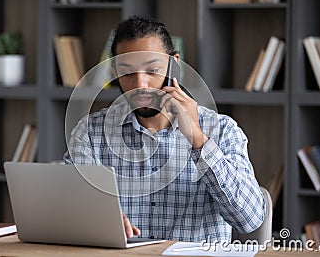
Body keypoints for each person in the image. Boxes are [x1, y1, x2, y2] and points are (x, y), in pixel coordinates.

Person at [64, 15, 265, 242]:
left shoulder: (223, 130)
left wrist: (199, 140)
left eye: (152, 70)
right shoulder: (91, 133)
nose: (140, 85)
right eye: (127, 72)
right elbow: (68, 209)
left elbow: (249, 220)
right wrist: (94, 218)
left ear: (173, 66)